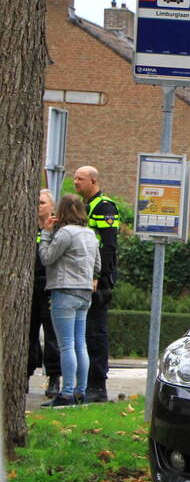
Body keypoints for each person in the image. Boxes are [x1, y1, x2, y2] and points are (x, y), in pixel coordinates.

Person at [38, 194, 101, 407]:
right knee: (80, 343)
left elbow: (47, 258)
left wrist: (46, 234)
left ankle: (66, 393)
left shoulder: (65, 233)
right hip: (85, 292)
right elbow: (97, 266)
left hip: (64, 290)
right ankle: (81, 391)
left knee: (66, 345)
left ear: (62, 211)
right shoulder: (90, 234)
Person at [74, 165, 119, 403]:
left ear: (93, 181)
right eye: (74, 178)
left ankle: (98, 386)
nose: (75, 182)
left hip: (97, 280)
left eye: (80, 178)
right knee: (83, 332)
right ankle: (84, 383)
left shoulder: (104, 207)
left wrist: (99, 278)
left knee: (95, 332)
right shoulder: (84, 205)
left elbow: (109, 246)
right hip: (83, 276)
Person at [29, 189, 62, 397]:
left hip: (49, 284)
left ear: (51, 206)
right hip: (28, 285)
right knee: (28, 332)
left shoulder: (58, 230)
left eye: (42, 202)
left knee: (51, 333)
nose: (38, 206)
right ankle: (25, 373)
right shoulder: (26, 227)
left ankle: (53, 377)